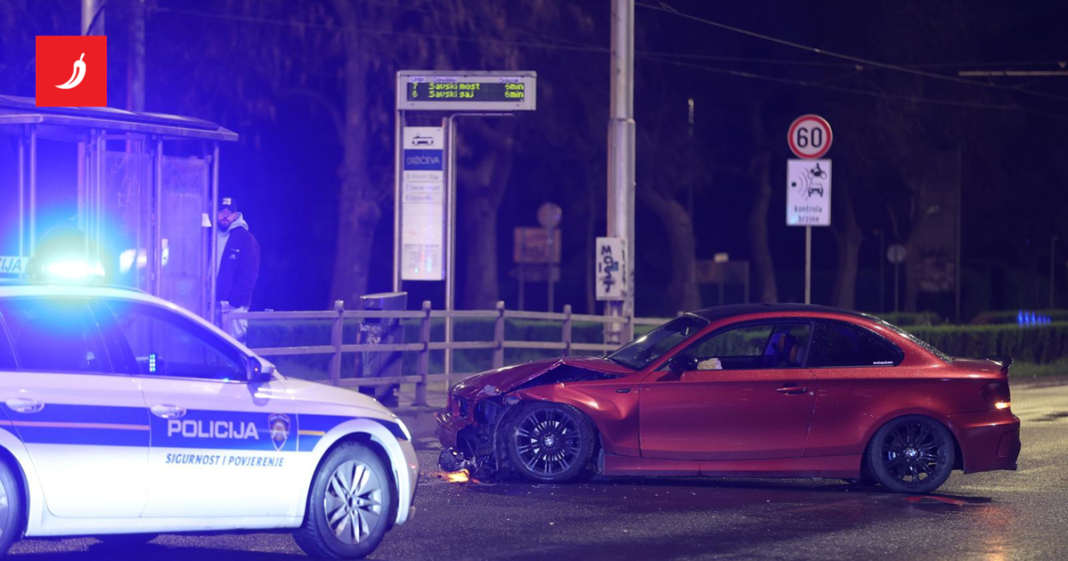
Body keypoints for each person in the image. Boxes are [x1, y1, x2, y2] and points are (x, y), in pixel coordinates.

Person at [215, 197, 260, 343]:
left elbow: (250, 275)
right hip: (212, 304)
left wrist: (235, 301)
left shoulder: (246, 239)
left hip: (235, 308)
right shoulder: (209, 236)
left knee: (236, 348)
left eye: (230, 211)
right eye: (222, 211)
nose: (225, 215)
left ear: (236, 215)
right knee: (214, 347)